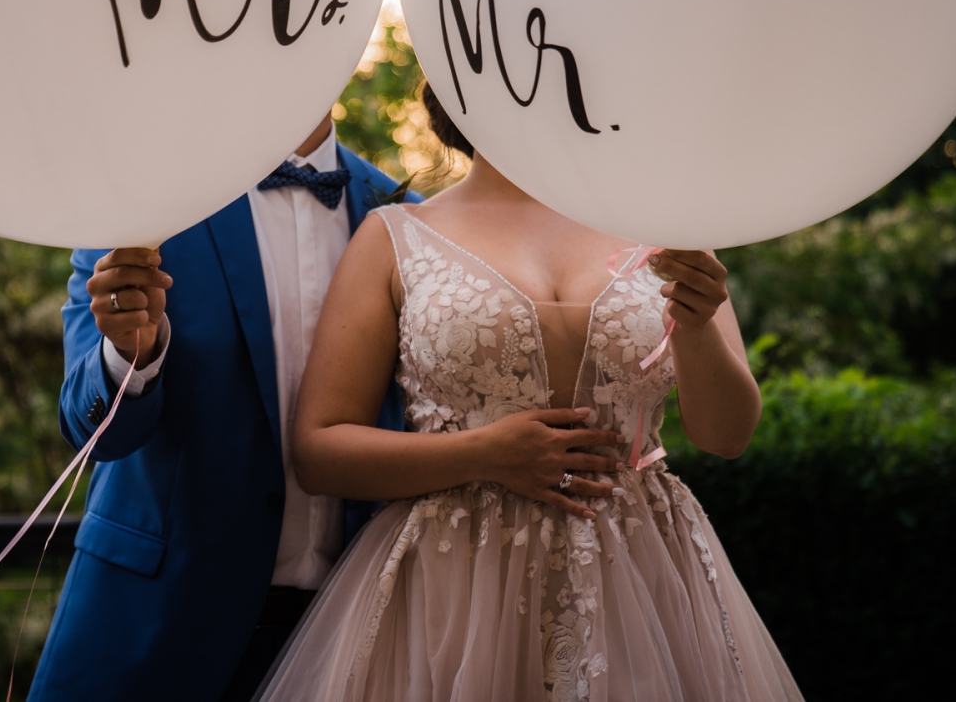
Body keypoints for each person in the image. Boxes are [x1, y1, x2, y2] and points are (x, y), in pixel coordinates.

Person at [258, 84, 803, 701]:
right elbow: (320, 450)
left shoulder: (666, 228)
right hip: (456, 582)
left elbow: (726, 436)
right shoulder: (393, 235)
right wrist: (482, 455)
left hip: (644, 576)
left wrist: (699, 324)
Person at [27, 115, 418, 702]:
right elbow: (91, 432)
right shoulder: (146, 195)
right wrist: (129, 353)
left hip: (351, 638)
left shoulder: (407, 213)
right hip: (157, 625)